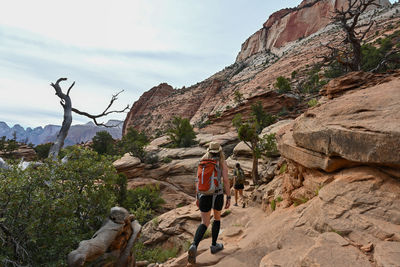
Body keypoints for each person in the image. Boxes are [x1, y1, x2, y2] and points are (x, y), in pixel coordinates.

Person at [188, 142, 231, 264]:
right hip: (217, 195)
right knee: (216, 219)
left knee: (204, 223)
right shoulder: (222, 162)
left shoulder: (202, 162)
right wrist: (228, 197)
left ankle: (194, 245)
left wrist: (197, 197)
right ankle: (213, 245)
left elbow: (197, 180)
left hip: (203, 195)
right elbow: (226, 181)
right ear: (219, 151)